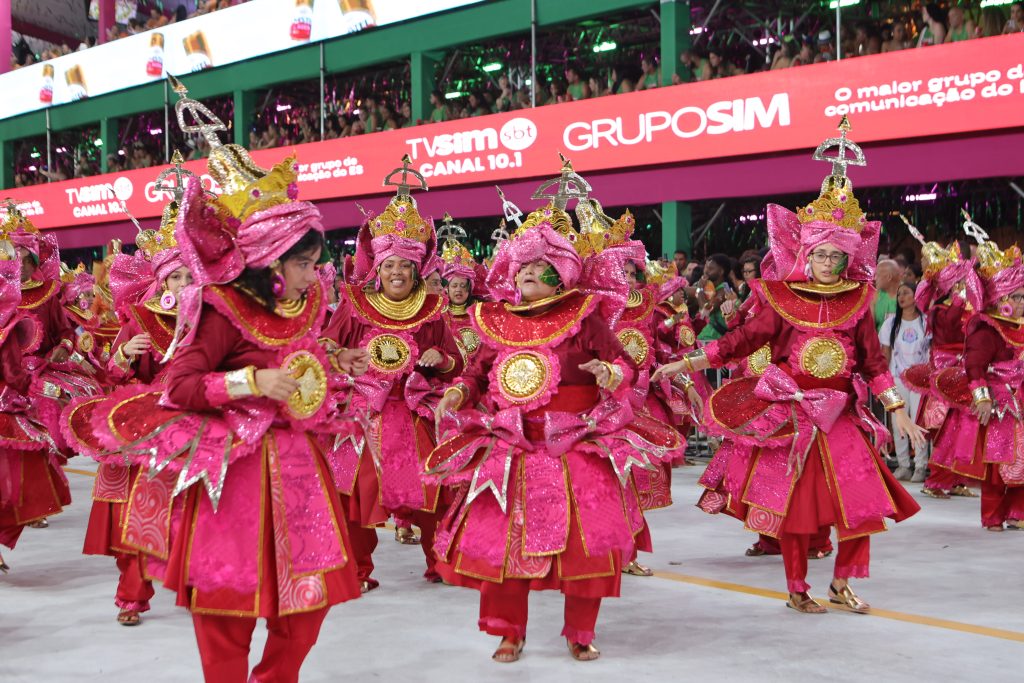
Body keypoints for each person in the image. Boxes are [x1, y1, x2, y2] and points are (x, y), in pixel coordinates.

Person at [70, 83, 365, 682]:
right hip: (234, 475)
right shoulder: (220, 309)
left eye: (315, 262)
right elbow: (180, 385)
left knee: (309, 602)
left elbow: (300, 368)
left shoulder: (303, 310)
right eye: (304, 262)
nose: (315, 273)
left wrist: (334, 366)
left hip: (299, 473)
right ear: (271, 262)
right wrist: (249, 382)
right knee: (226, 605)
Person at [655, 118, 924, 614]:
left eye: (833, 256)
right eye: (818, 254)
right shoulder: (782, 301)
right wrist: (688, 361)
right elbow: (741, 340)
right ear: (807, 254)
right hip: (795, 417)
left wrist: (898, 409)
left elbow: (872, 362)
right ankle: (798, 587)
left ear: (846, 262)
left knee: (862, 504)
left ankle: (842, 583)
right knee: (797, 510)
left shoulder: (858, 303)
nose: (825, 262)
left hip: (840, 416)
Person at [429, 164, 678, 662]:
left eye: (535, 270)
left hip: (576, 444)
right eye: (519, 270)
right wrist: (458, 393)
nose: (524, 277)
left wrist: (611, 377)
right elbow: (477, 372)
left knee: (586, 543)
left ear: (559, 273)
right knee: (504, 541)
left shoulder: (585, 317)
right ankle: (509, 630)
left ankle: (580, 631)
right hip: (512, 443)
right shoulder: (495, 319)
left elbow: (625, 367)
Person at [322, 159, 463, 591]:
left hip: (416, 410)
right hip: (364, 413)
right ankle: (358, 570)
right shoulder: (354, 306)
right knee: (355, 492)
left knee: (433, 490)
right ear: (376, 269)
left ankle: (439, 559)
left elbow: (456, 361)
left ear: (417, 268)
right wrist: (343, 355)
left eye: (405, 264)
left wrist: (439, 356)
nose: (397, 272)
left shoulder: (433, 309)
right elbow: (325, 348)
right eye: (389, 265)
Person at [68, 171, 192, 627]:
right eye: (174, 276)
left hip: (198, 427)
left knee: (194, 514)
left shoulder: (216, 318)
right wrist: (123, 353)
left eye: (188, 275)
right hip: (146, 429)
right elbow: (110, 375)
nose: (181, 284)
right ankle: (132, 596)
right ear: (161, 280)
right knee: (139, 515)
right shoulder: (139, 320)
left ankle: (198, 586)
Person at [931, 231, 1024, 531]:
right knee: (999, 465)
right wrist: (982, 397)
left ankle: (1018, 512)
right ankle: (994, 515)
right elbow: (974, 367)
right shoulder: (987, 330)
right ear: (1003, 299)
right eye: (1019, 297)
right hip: (1001, 406)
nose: (1023, 302)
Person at [0, 247, 68, 571]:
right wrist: (55, 392)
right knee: (14, 482)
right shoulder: (8, 324)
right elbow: (15, 377)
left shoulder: (45, 297)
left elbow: (64, 334)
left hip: (34, 378)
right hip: (9, 405)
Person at [879, 283, 931, 482]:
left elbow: (930, 352)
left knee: (918, 422)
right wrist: (885, 381)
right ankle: (903, 465)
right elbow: (885, 354)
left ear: (916, 296)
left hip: (920, 379)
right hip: (897, 378)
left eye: (906, 293)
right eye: (899, 293)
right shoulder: (890, 324)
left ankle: (920, 465)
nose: (901, 296)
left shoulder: (926, 323)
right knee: (898, 422)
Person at [873, 259, 900, 330]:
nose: (875, 278)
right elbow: (870, 329)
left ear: (889, 277)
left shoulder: (907, 296)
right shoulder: (874, 296)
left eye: (878, 275)